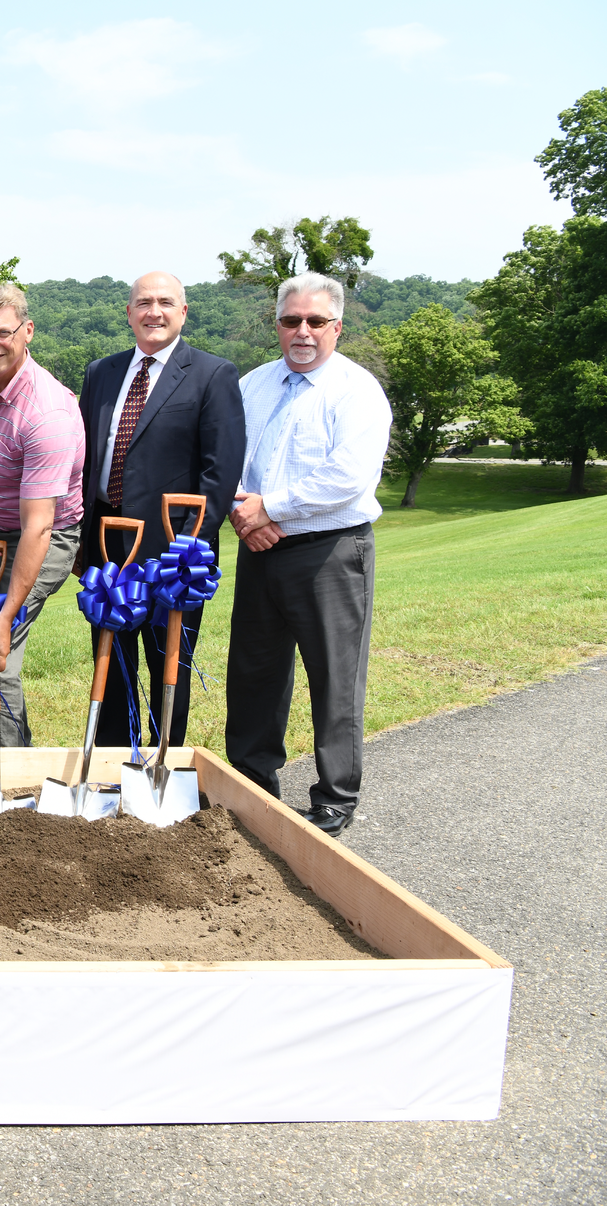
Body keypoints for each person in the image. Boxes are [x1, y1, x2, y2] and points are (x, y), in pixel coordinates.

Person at [225, 272, 391, 836]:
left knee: (335, 678)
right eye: (291, 320)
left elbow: (348, 475)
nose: (302, 331)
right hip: (259, 545)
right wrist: (243, 512)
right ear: (277, 324)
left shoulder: (357, 391)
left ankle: (335, 799)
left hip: (331, 552)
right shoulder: (253, 385)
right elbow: (227, 458)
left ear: (336, 327)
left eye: (315, 322)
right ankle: (251, 786)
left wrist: (271, 507)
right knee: (253, 673)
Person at [77, 271, 244, 748]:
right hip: (110, 544)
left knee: (168, 662)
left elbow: (221, 472)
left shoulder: (213, 374)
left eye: (166, 302)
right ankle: (111, 765)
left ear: (183, 312)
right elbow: (87, 458)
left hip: (173, 550)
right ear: (128, 313)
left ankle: (163, 762)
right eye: (143, 302)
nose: (154, 311)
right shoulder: (101, 373)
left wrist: (187, 549)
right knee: (110, 662)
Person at [0, 282, 84, 747]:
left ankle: (10, 781)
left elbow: (39, 527)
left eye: (2, 333)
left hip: (45, 535)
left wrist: (6, 617)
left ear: (27, 331)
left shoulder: (47, 413)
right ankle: (12, 759)